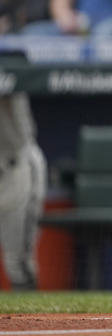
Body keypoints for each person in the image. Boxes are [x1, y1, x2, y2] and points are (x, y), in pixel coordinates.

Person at [0, 93, 46, 290]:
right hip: (9, 166)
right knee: (14, 258)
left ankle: (28, 316)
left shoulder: (12, 64)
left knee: (21, 257)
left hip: (21, 160)